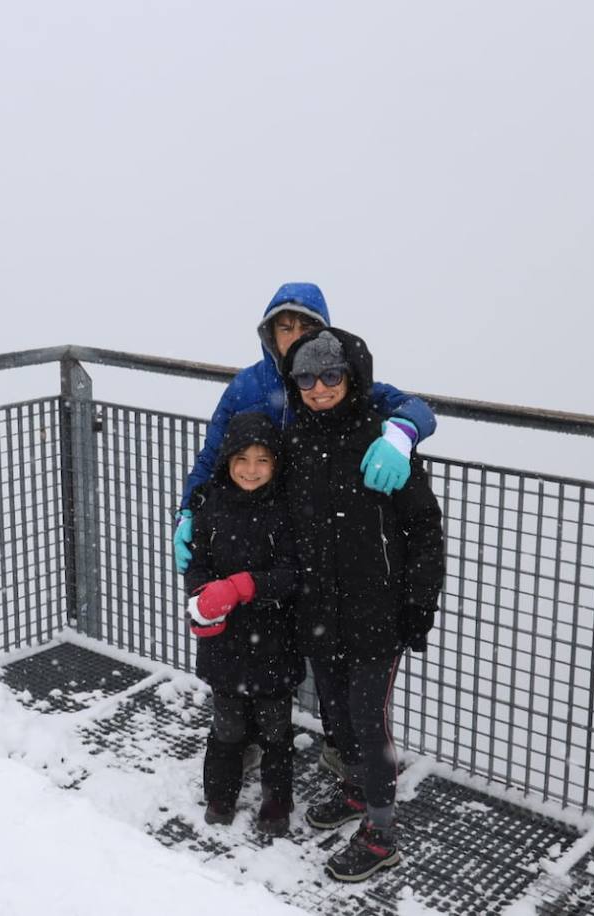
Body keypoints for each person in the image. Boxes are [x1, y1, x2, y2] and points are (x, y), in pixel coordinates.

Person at [279, 326, 445, 882]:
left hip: (376, 611)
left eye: (331, 375)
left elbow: (423, 528)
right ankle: (354, 793)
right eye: (306, 376)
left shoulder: (381, 436)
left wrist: (418, 605)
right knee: (335, 710)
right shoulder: (296, 436)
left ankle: (381, 834)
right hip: (320, 606)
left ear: (351, 377)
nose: (319, 387)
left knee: (369, 722)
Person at [173, 281, 437, 575]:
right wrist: (187, 512)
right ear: (270, 334)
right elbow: (211, 457)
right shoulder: (246, 387)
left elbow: (416, 408)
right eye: (285, 328)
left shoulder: (337, 382)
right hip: (257, 533)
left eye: (306, 327)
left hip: (314, 538)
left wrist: (401, 435)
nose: (295, 337)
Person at [183, 412, 302, 836]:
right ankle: (220, 795)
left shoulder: (285, 510)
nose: (251, 470)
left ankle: (275, 804)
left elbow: (292, 574)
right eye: (242, 459)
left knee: (275, 730)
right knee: (227, 726)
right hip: (225, 646)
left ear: (275, 464)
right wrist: (201, 601)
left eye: (262, 460)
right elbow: (196, 565)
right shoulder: (210, 506)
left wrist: (244, 586)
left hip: (275, 642)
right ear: (227, 461)